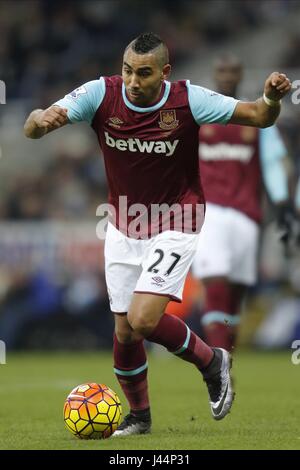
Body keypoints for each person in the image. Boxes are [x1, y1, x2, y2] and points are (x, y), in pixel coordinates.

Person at [24, 33, 291, 436]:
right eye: (128, 70)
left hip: (176, 218)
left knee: (144, 320)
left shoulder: (188, 100)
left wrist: (270, 98)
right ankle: (140, 416)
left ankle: (212, 361)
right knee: (124, 331)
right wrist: (39, 122)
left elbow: (257, 116)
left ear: (164, 72)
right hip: (123, 222)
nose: (133, 80)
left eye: (144, 73)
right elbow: (42, 120)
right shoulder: (100, 93)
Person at [192, 54, 292, 352]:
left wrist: (283, 204)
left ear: (239, 75)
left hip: (247, 217)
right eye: (221, 69)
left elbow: (274, 163)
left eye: (232, 70)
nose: (226, 75)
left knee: (234, 296)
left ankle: (225, 358)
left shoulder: (257, 117)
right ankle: (218, 363)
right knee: (215, 281)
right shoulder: (197, 116)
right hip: (209, 214)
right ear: (214, 73)